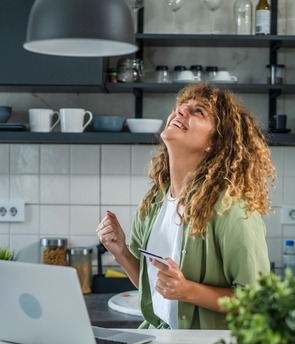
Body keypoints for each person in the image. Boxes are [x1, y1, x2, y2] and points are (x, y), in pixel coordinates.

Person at [96, 83, 275, 329]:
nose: (180, 112)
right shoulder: (153, 202)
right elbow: (155, 286)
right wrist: (120, 252)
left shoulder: (231, 209)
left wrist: (187, 291)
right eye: (180, 107)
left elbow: (257, 302)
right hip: (159, 340)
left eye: (198, 111)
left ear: (215, 142)